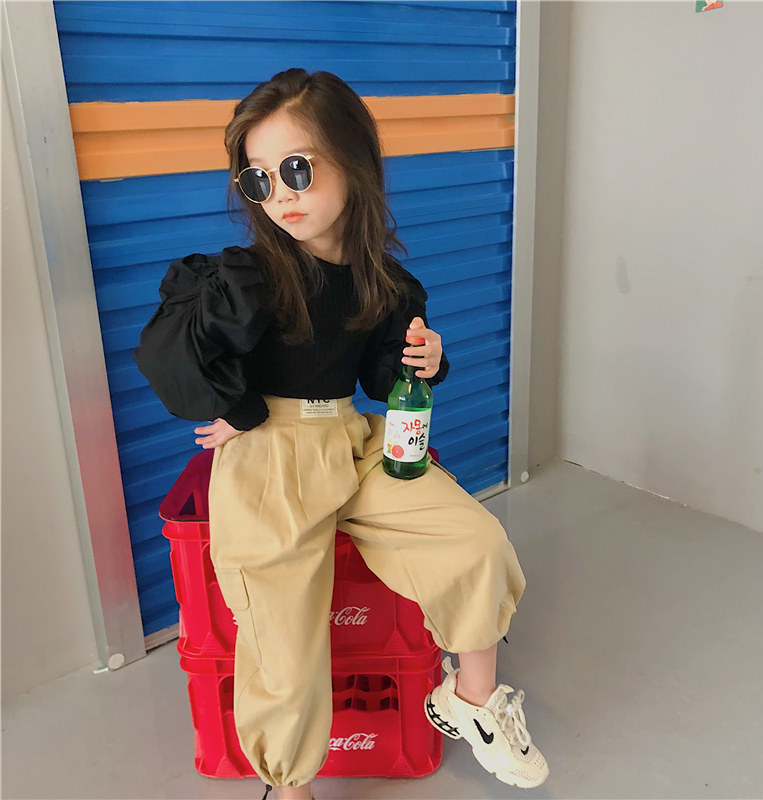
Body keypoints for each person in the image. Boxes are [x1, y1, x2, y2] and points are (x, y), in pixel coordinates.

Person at [134, 68, 548, 800]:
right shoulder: (245, 277)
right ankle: (291, 787)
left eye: (297, 168)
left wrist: (425, 360)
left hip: (352, 444)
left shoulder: (382, 281)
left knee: (472, 540)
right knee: (282, 642)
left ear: (352, 163)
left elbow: (383, 381)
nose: (280, 194)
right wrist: (241, 407)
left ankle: (473, 698)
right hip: (267, 461)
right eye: (258, 179)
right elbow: (173, 359)